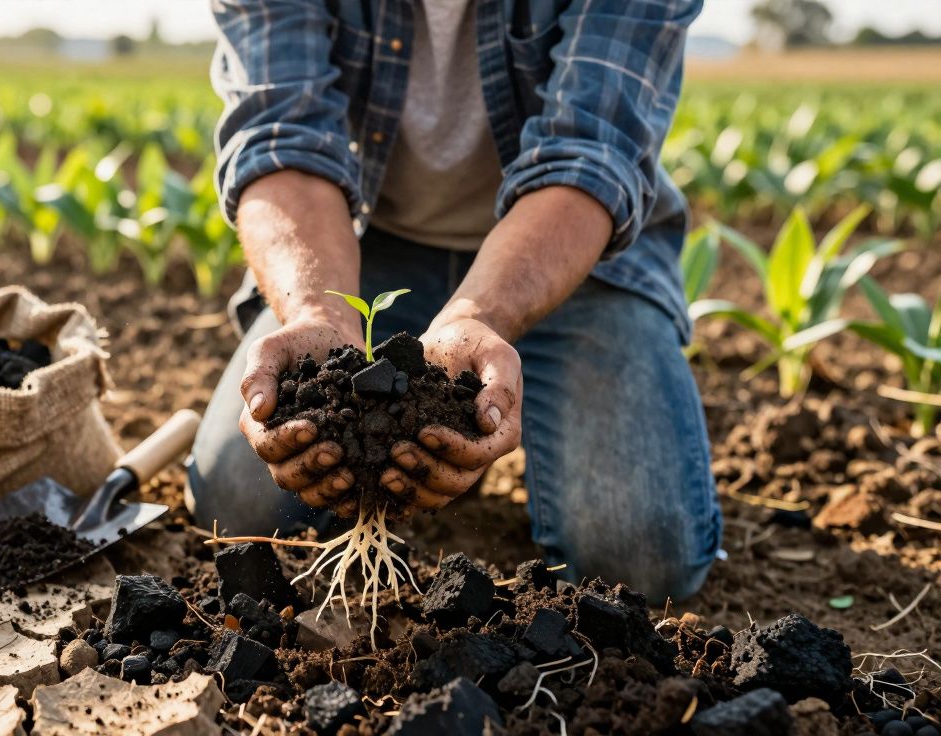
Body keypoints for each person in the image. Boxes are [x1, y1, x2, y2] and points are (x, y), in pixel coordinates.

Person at [186, 0, 721, 603]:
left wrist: (479, 314)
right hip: (362, 247)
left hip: (574, 254)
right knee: (237, 505)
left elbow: (590, 155)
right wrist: (319, 309)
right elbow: (281, 138)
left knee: (637, 555)